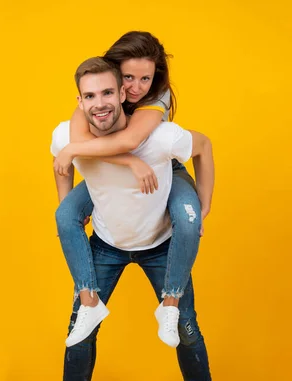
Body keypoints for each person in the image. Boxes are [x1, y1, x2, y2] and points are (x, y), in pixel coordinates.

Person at [51, 56, 213, 380]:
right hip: (107, 244)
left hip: (161, 245)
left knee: (187, 327)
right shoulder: (67, 137)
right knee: (79, 332)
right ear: (79, 102)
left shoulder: (162, 137)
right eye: (91, 96)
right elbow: (59, 162)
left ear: (123, 95)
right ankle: (90, 303)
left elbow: (203, 145)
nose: (100, 104)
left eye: (108, 93)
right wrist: (69, 205)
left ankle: (169, 305)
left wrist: (204, 206)